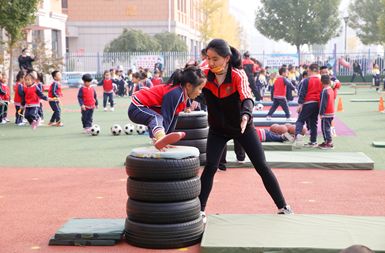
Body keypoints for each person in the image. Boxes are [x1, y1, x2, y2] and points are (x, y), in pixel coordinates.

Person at [199, 39, 292, 223]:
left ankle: (283, 206)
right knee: (210, 167)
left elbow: (246, 96)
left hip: (242, 127)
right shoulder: (205, 75)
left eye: (215, 59)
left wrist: (246, 115)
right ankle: (200, 210)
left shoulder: (237, 75)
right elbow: (187, 81)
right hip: (218, 130)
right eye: (208, 59)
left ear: (226, 58)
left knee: (261, 165)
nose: (210, 63)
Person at [128, 66, 206, 150]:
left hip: (147, 108)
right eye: (200, 89)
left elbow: (173, 119)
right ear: (189, 86)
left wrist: (166, 140)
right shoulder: (176, 93)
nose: (200, 92)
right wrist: (163, 138)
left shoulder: (183, 94)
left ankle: (159, 138)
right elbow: (167, 117)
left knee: (160, 118)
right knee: (157, 117)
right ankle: (160, 137)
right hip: (137, 107)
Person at [294, 63, 323, 147]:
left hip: (308, 103)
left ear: (310, 71)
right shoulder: (321, 80)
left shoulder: (306, 80)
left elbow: (302, 93)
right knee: (314, 122)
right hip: (317, 104)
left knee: (300, 120)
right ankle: (313, 141)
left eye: (308, 71)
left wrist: (300, 104)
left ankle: (298, 136)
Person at [318, 75, 335, 149]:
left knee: (325, 128)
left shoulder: (325, 91)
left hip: (326, 113)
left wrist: (321, 113)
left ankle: (329, 142)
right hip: (331, 112)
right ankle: (326, 141)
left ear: (322, 82)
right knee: (326, 128)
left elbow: (323, 103)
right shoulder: (331, 89)